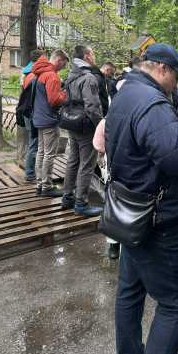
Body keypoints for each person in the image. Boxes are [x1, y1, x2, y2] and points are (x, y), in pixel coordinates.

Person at [105, 43, 178, 354]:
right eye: (177, 78)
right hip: (154, 220)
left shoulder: (127, 93)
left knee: (130, 292)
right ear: (162, 68)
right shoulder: (152, 103)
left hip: (128, 213)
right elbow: (176, 158)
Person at [61, 45, 103, 217]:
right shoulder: (89, 78)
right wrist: (100, 126)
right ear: (86, 56)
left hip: (72, 123)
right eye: (92, 53)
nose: (94, 56)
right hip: (86, 126)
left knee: (73, 160)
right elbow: (92, 106)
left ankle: (67, 196)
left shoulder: (71, 75)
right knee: (86, 165)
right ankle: (81, 203)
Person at [32, 50, 68, 197]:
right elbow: (54, 100)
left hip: (39, 118)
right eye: (64, 64)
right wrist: (65, 95)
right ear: (59, 60)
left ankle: (40, 184)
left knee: (41, 152)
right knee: (49, 154)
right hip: (49, 120)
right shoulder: (52, 76)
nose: (63, 67)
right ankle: (47, 186)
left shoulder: (40, 73)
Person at [93, 118, 121, 259]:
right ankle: (114, 244)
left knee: (113, 203)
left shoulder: (107, 120)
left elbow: (98, 144)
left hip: (112, 165)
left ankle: (114, 244)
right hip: (127, 167)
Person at [21, 49, 45, 182]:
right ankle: (30, 174)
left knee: (33, 143)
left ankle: (31, 171)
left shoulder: (28, 73)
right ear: (40, 59)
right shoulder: (32, 75)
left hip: (29, 113)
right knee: (34, 144)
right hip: (32, 114)